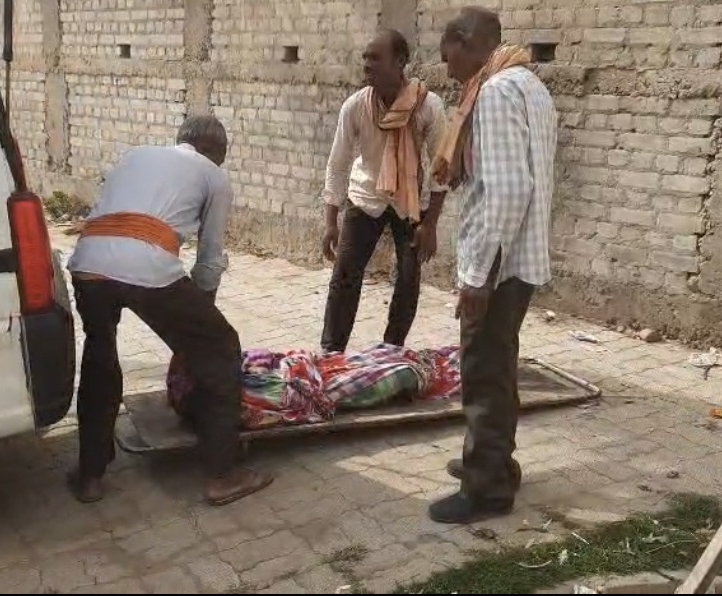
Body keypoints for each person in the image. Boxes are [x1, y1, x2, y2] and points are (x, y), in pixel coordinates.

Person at [66, 115, 273, 505]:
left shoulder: (136, 155)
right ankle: (224, 474)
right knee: (221, 349)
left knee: (99, 358)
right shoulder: (213, 175)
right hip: (146, 266)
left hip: (87, 262)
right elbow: (209, 261)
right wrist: (197, 336)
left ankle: (90, 476)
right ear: (219, 152)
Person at [428, 6, 558, 524]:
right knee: (499, 366)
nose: (449, 70)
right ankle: (495, 463)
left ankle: (486, 490)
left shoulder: (497, 91)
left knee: (483, 371)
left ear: (464, 40)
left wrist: (477, 275)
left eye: (449, 57)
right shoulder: (530, 85)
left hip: (500, 264)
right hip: (519, 256)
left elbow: (506, 190)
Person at [320, 29, 448, 354]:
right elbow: (338, 163)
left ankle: (391, 351)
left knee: (408, 278)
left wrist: (431, 224)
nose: (367, 64)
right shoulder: (356, 106)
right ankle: (331, 352)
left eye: (375, 58)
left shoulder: (428, 106)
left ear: (400, 61)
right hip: (366, 196)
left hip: (410, 201)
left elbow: (441, 168)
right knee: (345, 275)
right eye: (365, 58)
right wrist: (331, 222)